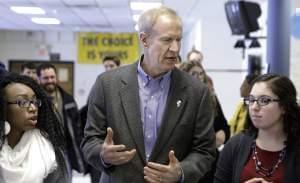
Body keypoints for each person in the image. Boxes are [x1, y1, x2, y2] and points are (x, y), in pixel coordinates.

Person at [81, 6, 216, 183]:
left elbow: (205, 150)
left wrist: (181, 172)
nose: (175, 48)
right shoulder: (107, 84)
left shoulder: (197, 91)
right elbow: (90, 141)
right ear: (145, 40)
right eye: (167, 40)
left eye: (178, 40)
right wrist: (103, 154)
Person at [214, 73, 300, 183]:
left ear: (284, 106)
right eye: (251, 99)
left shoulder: (296, 148)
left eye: (264, 100)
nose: (254, 107)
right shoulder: (234, 145)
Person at [0, 73, 69, 182]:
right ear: (3, 107)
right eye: (22, 102)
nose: (33, 108)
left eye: (34, 101)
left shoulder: (47, 149)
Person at [36, 63, 85, 176]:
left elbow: (77, 126)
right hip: (41, 152)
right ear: (39, 79)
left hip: (65, 151)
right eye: (46, 78)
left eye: (52, 77)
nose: (50, 80)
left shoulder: (68, 99)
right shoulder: (34, 100)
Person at [80, 56, 121, 183]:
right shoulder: (99, 84)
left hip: (119, 142)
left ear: (118, 66)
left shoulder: (125, 85)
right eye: (106, 66)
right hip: (100, 143)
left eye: (111, 66)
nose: (108, 69)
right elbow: (89, 111)